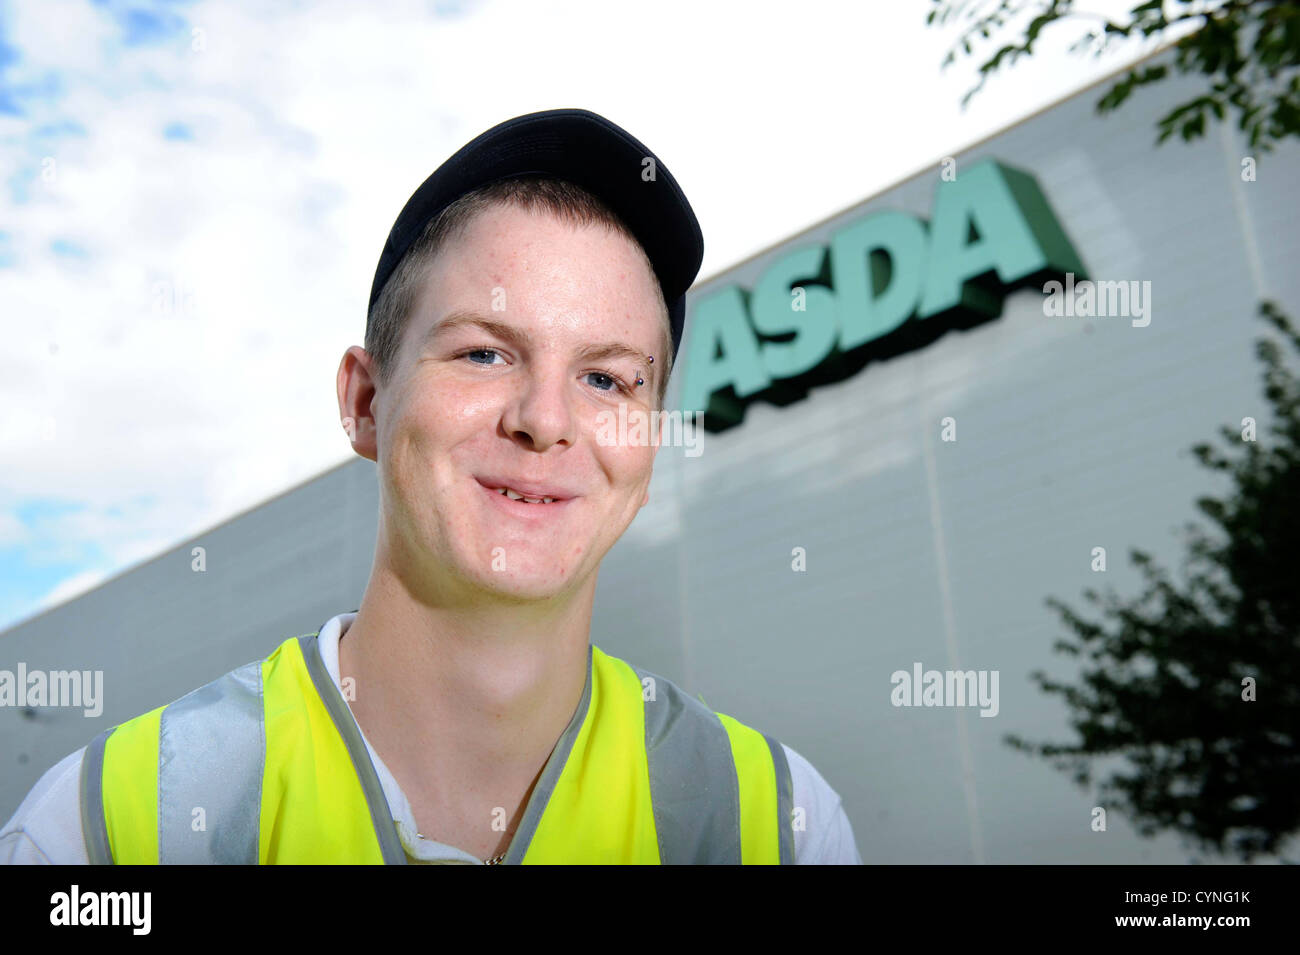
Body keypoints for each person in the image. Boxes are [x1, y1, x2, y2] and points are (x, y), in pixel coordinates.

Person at [1, 108, 862, 864]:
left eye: (608, 379)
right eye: (485, 352)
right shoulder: (106, 829)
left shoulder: (780, 826)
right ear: (366, 401)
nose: (545, 418)